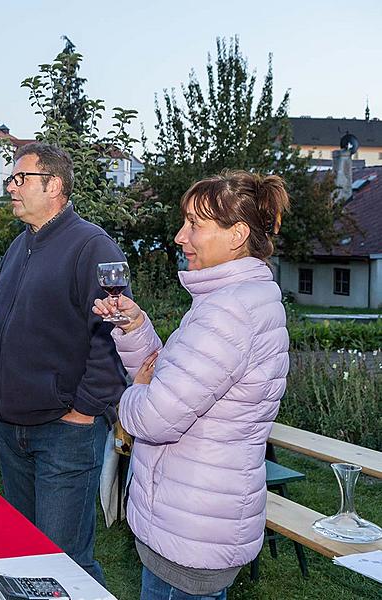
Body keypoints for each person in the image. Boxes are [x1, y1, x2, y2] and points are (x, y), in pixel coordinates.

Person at [92, 171, 290, 600]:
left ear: (236, 235)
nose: (181, 236)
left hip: (190, 527)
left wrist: (129, 397)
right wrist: (136, 328)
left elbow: (156, 416)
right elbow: (176, 380)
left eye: (195, 225)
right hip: (191, 520)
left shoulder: (229, 312)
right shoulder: (233, 302)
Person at [0, 142, 128, 586]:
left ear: (54, 185)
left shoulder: (92, 246)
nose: (10, 187)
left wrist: (82, 411)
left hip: (64, 431)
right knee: (24, 554)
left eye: (21, 178)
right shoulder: (20, 245)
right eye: (11, 178)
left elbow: (114, 336)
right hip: (11, 427)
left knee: (65, 563)